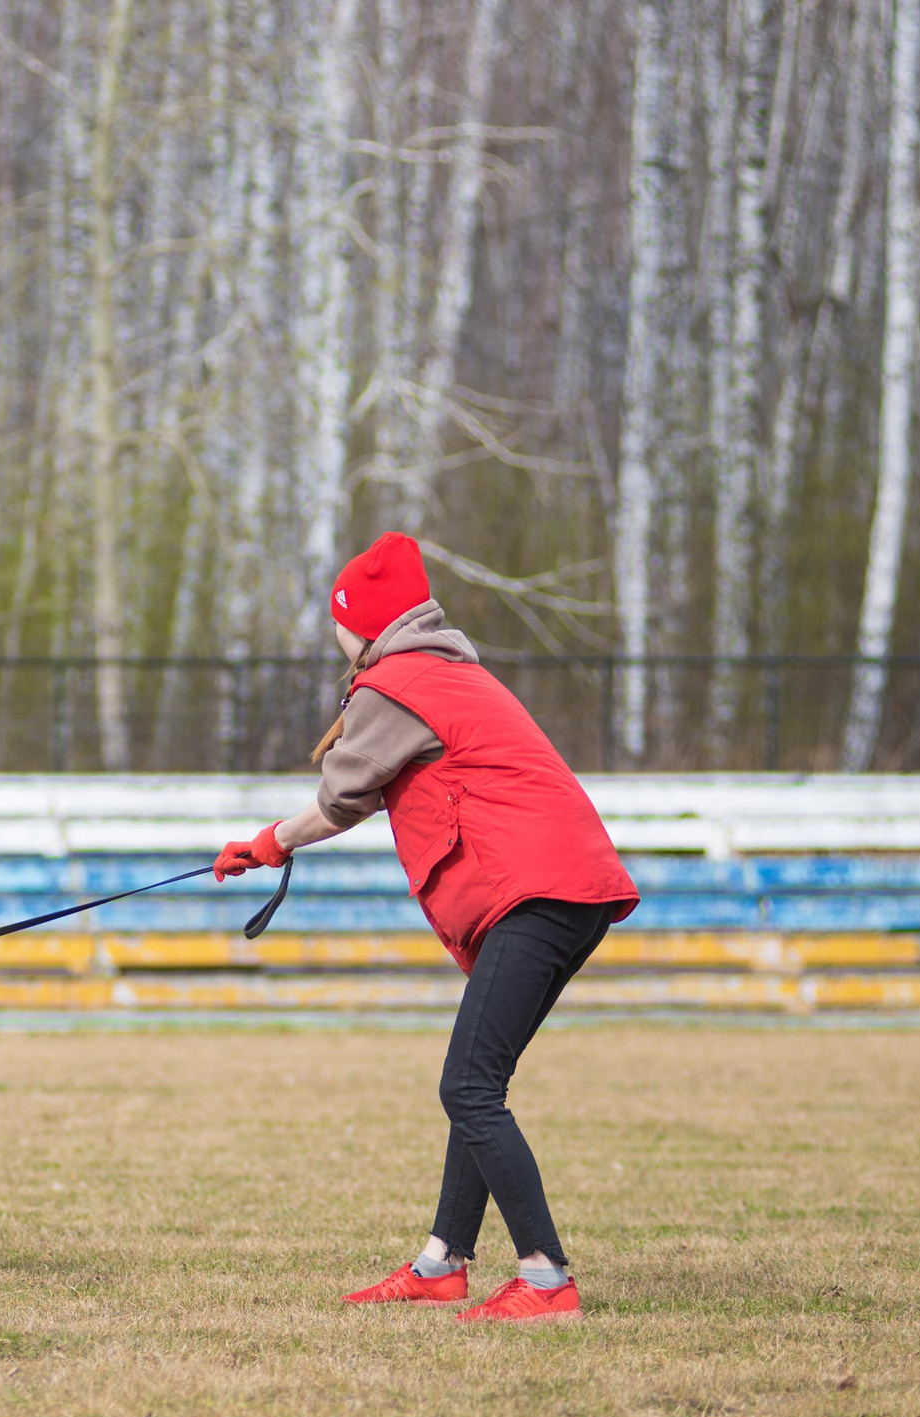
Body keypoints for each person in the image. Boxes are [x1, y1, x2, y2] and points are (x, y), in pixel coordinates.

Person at [215, 532, 638, 1322]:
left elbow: (343, 794)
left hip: (535, 891)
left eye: (338, 619)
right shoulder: (446, 671)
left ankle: (546, 1279)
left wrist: (264, 843)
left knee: (469, 1086)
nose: (334, 635)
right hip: (567, 889)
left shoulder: (398, 680)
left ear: (363, 621)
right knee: (477, 1083)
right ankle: (442, 1263)